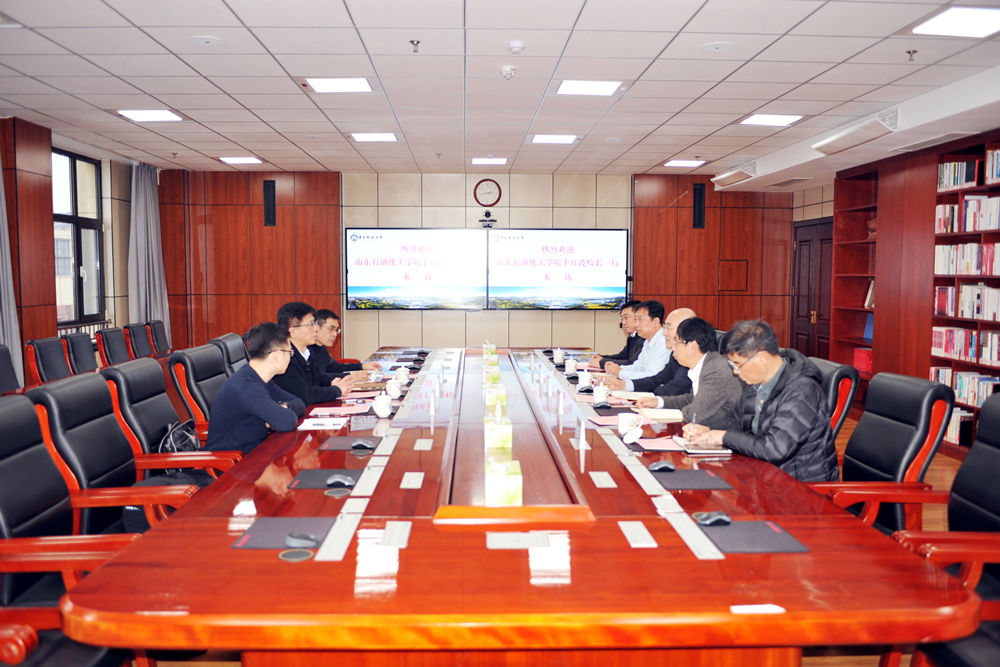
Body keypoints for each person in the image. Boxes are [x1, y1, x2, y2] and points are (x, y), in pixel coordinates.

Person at [686, 319, 838, 483]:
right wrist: (707, 428)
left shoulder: (802, 391)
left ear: (761, 358)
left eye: (738, 365)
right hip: (763, 474)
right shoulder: (756, 381)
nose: (736, 372)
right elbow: (734, 420)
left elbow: (775, 449)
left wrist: (723, 437)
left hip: (799, 485)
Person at [205, 322, 306, 454]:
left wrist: (285, 406)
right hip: (234, 461)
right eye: (290, 352)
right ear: (276, 355)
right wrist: (282, 412)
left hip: (256, 452)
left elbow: (300, 403)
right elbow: (287, 421)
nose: (290, 357)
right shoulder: (246, 386)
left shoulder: (261, 378)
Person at [637, 317, 740, 430]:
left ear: (692, 346)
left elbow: (694, 414)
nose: (673, 348)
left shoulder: (715, 370)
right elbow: (691, 399)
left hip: (724, 435)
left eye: (676, 342)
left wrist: (660, 413)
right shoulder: (707, 364)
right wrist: (658, 402)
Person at [273, 301, 354, 406]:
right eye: (311, 324)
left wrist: (338, 382)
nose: (316, 329)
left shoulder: (306, 352)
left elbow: (318, 378)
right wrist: (336, 390)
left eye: (315, 324)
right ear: (293, 332)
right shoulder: (284, 357)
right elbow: (305, 395)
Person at [606, 307, 695, 396]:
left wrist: (621, 373)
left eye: (669, 327)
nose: (664, 332)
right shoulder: (671, 353)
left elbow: (673, 389)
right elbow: (657, 379)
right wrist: (623, 384)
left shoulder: (666, 344)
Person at [604, 300, 668, 382]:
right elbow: (638, 367)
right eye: (635, 319)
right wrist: (615, 368)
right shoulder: (648, 340)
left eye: (640, 319)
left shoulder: (664, 342)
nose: (636, 324)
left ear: (655, 322)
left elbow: (652, 376)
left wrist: (620, 372)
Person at [313, 309, 381, 380]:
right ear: (316, 327)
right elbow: (319, 378)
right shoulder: (307, 351)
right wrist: (351, 376)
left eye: (336, 330)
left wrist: (362, 366)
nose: (335, 334)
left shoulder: (321, 348)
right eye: (331, 329)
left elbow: (336, 368)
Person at [589, 300, 643, 370]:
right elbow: (622, 357)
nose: (623, 322)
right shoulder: (632, 336)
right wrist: (601, 357)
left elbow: (632, 363)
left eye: (626, 317)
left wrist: (601, 363)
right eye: (622, 319)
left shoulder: (644, 338)